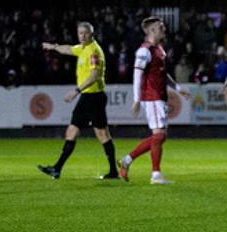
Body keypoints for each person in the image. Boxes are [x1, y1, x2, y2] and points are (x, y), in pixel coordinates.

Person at [37, 22, 119, 179]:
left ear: (91, 34)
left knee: (103, 135)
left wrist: (76, 91)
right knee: (71, 131)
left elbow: (94, 76)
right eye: (80, 33)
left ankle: (113, 172)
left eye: (85, 33)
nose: (82, 36)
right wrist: (53, 47)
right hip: (86, 97)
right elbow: (68, 49)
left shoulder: (94, 51)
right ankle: (57, 168)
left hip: (95, 97)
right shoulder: (83, 48)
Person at [117, 17, 191, 184]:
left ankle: (132, 163)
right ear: (151, 31)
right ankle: (151, 173)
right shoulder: (144, 51)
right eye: (160, 27)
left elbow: (163, 74)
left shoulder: (159, 49)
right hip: (151, 97)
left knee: (160, 136)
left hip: (159, 96)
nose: (164, 29)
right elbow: (137, 75)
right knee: (160, 136)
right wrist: (136, 100)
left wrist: (178, 89)